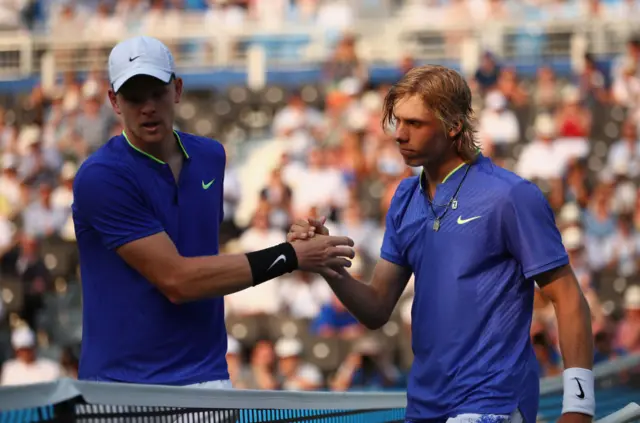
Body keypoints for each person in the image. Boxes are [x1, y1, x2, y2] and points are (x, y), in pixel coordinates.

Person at [288, 65, 594, 423]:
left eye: (415, 124)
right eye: (397, 122)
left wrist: (579, 407)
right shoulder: (404, 196)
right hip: (424, 405)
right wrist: (327, 265)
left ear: (453, 126)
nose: (400, 135)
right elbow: (376, 308)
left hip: (491, 402)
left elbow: (569, 298)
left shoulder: (511, 196)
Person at [71, 36, 355, 388]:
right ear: (114, 101)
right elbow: (177, 280)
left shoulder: (210, 157)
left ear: (177, 89)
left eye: (156, 92)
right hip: (121, 386)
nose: (147, 107)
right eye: (133, 96)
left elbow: (202, 254)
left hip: (207, 378)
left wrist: (293, 240)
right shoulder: (101, 177)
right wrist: (290, 256)